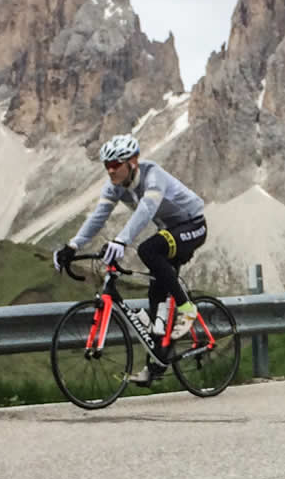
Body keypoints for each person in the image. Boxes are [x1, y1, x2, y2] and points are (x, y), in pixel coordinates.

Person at [53, 133, 209, 384]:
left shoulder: (153, 176)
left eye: (115, 165)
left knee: (148, 250)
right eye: (107, 166)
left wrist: (122, 240)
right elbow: (98, 217)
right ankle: (156, 368)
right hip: (169, 232)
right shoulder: (114, 187)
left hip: (193, 226)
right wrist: (72, 245)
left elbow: (147, 210)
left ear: (132, 161)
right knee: (155, 298)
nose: (110, 171)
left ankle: (187, 309)